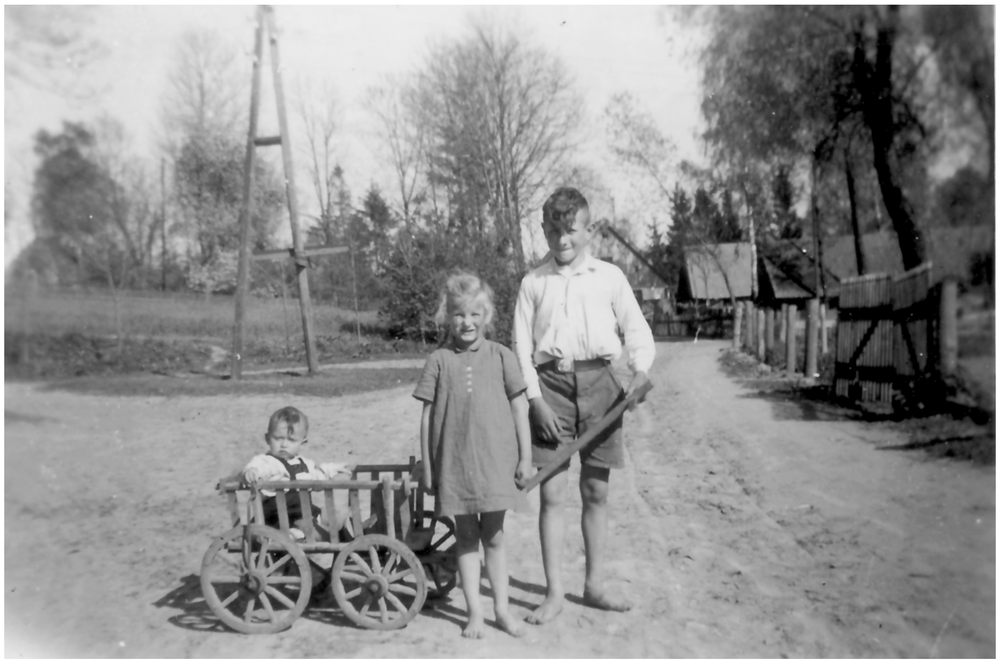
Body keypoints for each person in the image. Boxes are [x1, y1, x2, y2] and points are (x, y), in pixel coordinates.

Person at [513, 186, 655, 625]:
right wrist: (535, 400)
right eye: (553, 231)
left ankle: (594, 586)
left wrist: (641, 370)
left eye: (571, 230)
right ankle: (554, 593)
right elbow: (520, 349)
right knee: (552, 495)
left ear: (588, 229)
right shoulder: (532, 283)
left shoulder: (609, 277)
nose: (562, 240)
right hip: (550, 390)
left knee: (596, 491)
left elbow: (636, 330)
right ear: (543, 230)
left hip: (601, 387)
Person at [413, 271, 533, 639]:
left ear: (487, 316)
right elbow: (427, 417)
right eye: (459, 314)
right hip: (456, 465)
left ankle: (501, 609)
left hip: (495, 463)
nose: (467, 322)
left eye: (474, 314)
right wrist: (429, 467)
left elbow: (519, 409)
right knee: (465, 539)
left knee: (494, 537)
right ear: (447, 316)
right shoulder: (439, 359)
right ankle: (474, 614)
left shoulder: (501, 356)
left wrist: (525, 458)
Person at [241, 406, 354, 542]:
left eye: (291, 440)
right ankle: (294, 536)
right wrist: (252, 472)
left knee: (337, 514)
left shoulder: (304, 464)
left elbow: (317, 474)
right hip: (278, 519)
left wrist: (333, 469)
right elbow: (257, 467)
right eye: (278, 438)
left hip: (304, 514)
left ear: (302, 442)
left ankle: (348, 538)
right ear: (267, 438)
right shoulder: (268, 462)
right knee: (295, 531)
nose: (283, 445)